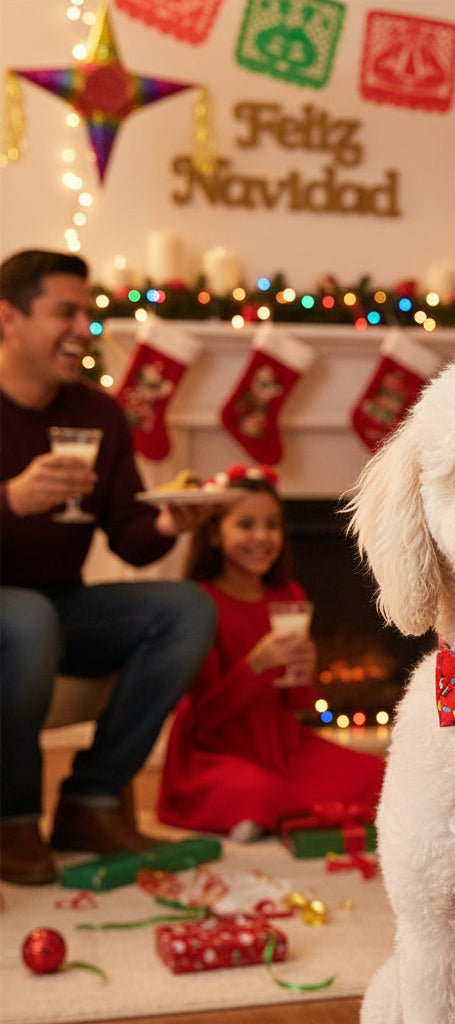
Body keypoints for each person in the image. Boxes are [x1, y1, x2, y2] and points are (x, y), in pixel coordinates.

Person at [0, 249, 219, 885]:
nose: (81, 329)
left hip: (61, 606)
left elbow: (129, 537)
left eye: (87, 314)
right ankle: (11, 817)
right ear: (9, 318)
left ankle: (90, 801)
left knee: (185, 610)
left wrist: (168, 522)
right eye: (63, 313)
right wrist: (11, 499)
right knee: (28, 618)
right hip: (16, 612)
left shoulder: (98, 413)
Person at [157, 464, 386, 841]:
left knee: (377, 774)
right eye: (246, 525)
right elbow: (206, 719)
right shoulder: (200, 603)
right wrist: (256, 665)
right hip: (215, 752)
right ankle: (262, 808)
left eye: (272, 525)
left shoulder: (288, 597)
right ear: (214, 534)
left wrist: (306, 671)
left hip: (283, 746)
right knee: (255, 791)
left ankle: (267, 812)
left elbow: (299, 701)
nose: (261, 537)